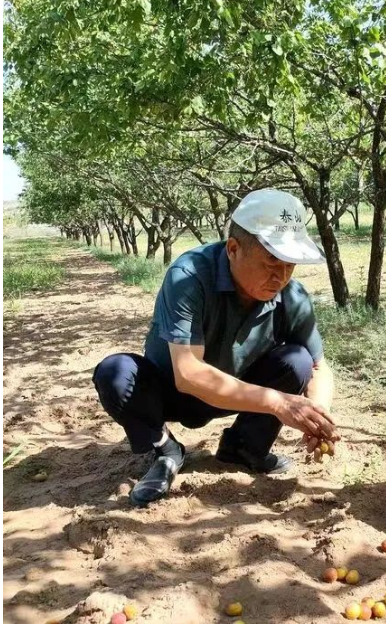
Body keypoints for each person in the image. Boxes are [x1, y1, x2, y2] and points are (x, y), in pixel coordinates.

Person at [92, 188, 338, 506]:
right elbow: (188, 373)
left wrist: (319, 415)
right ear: (234, 249)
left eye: (291, 264)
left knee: (297, 360)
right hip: (172, 393)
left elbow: (318, 367)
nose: (282, 276)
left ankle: (245, 447)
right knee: (116, 373)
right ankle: (166, 449)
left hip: (238, 392)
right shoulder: (189, 276)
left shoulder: (293, 296)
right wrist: (280, 403)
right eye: (272, 262)